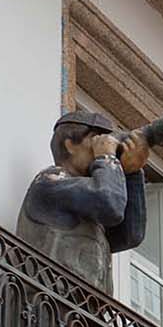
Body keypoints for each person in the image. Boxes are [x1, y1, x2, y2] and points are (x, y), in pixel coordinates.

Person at [15, 109, 151, 292]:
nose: (102, 147)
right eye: (96, 140)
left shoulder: (90, 202)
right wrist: (107, 158)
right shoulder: (51, 180)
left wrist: (132, 172)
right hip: (47, 307)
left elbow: (130, 236)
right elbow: (110, 204)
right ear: (70, 145)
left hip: (82, 314)